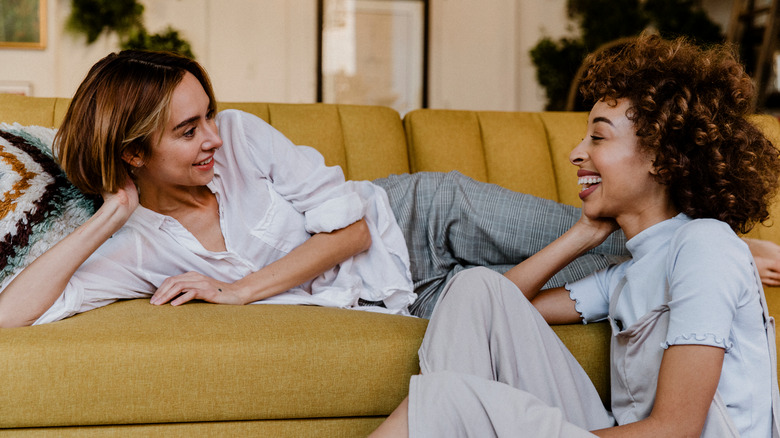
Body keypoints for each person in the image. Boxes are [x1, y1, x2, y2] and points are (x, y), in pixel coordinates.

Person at [371, 34, 780, 437]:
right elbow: (491, 304)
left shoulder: (705, 246)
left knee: (448, 399)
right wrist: (584, 233)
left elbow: (676, 429)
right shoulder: (627, 273)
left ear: (660, 158)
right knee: (472, 286)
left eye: (598, 137)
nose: (576, 153)